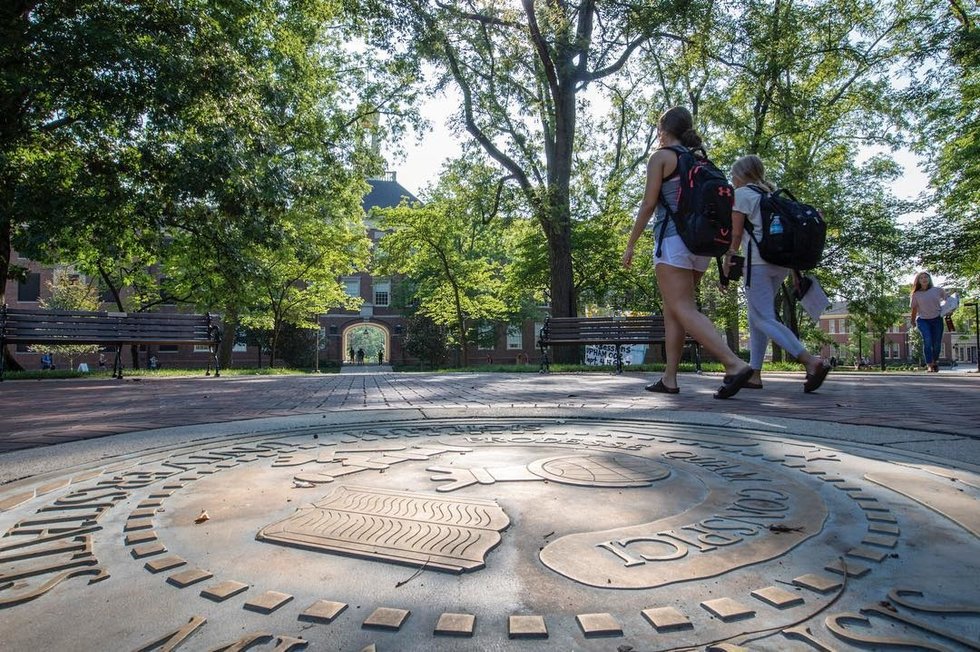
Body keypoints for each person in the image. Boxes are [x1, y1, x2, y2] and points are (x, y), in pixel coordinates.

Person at [622, 106, 753, 399]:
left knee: (683, 308)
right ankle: (669, 378)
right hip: (701, 246)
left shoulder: (661, 157)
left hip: (673, 242)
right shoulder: (699, 160)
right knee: (674, 310)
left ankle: (733, 363)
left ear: (663, 130)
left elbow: (648, 204)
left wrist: (631, 243)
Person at [727, 154, 831, 393]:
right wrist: (795, 271)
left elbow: (736, 233)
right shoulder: (771, 196)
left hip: (757, 264)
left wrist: (729, 258)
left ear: (742, 175)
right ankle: (754, 374)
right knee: (757, 318)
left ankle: (810, 361)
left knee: (763, 318)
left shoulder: (742, 195)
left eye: (733, 175)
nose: (732, 179)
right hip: (780, 265)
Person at [909, 271, 946, 372]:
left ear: (929, 279)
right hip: (923, 320)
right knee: (927, 340)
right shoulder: (916, 294)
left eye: (926, 277)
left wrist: (950, 310)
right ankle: (929, 364)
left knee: (937, 343)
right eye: (921, 278)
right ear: (918, 281)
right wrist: (912, 321)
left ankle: (935, 362)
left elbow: (948, 300)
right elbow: (914, 309)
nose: (924, 279)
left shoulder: (938, 290)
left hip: (937, 319)